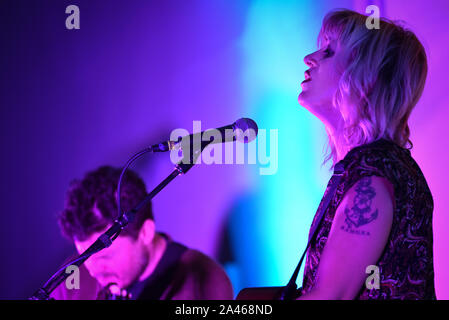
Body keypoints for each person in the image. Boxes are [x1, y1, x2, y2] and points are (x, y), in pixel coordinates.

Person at [296, 9, 435, 299]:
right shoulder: (370, 168)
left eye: (331, 51)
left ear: (365, 77)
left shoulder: (373, 176)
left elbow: (329, 297)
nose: (310, 57)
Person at [51, 166, 233, 300]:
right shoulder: (74, 272)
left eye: (105, 257)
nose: (94, 270)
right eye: (85, 256)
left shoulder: (201, 280)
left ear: (145, 232)